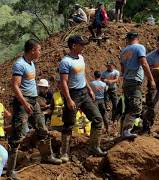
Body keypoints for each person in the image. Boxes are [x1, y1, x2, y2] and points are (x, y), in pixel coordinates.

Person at [7, 39, 62, 179]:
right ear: (32, 50)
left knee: (42, 128)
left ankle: (47, 156)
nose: (40, 52)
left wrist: (32, 101)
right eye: (39, 49)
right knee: (18, 135)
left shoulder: (31, 63)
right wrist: (25, 103)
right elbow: (15, 86)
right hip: (22, 102)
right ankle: (10, 171)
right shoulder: (20, 64)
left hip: (34, 100)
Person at [59, 35, 106, 163]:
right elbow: (63, 82)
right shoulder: (65, 62)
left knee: (97, 118)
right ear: (74, 46)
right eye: (82, 44)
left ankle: (94, 147)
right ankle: (64, 153)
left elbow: (82, 74)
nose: (84, 46)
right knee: (68, 124)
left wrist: (89, 89)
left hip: (84, 93)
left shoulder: (81, 58)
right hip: (73, 94)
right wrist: (68, 99)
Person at [120, 32, 156, 138]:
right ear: (138, 38)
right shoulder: (139, 47)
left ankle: (122, 131)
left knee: (128, 108)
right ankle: (127, 130)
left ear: (127, 39)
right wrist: (151, 79)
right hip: (134, 81)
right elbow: (144, 63)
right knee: (136, 107)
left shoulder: (123, 51)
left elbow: (122, 69)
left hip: (126, 81)